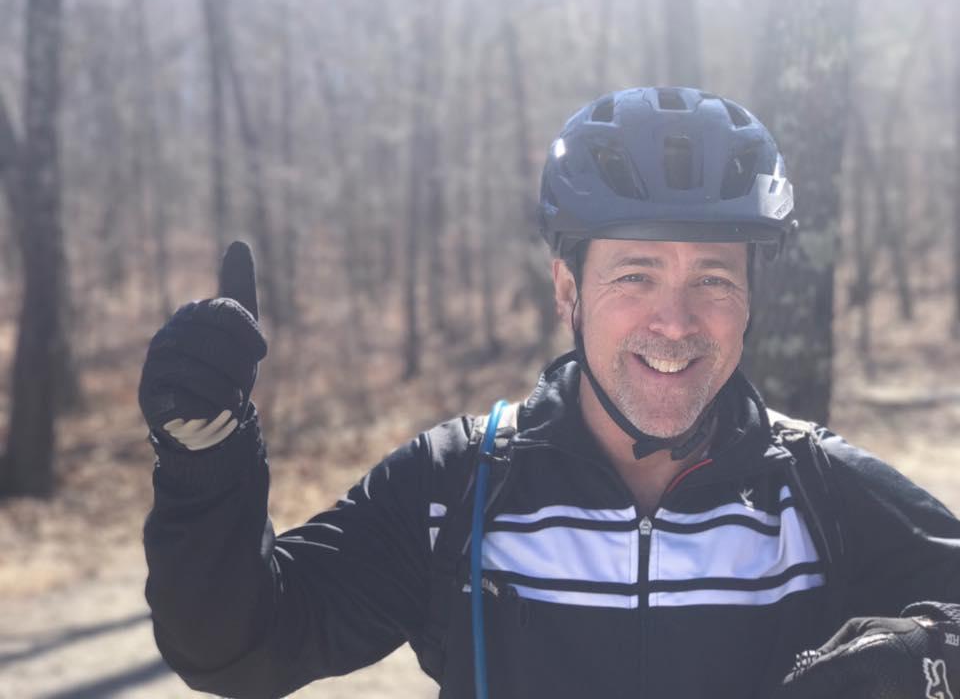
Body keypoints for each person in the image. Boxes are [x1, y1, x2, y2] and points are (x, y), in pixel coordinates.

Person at [140, 87, 960, 699]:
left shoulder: (820, 494)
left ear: (751, 298)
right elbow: (237, 649)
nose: (675, 323)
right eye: (635, 275)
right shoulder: (455, 487)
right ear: (567, 289)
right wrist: (206, 462)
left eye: (713, 277)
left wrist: (929, 656)